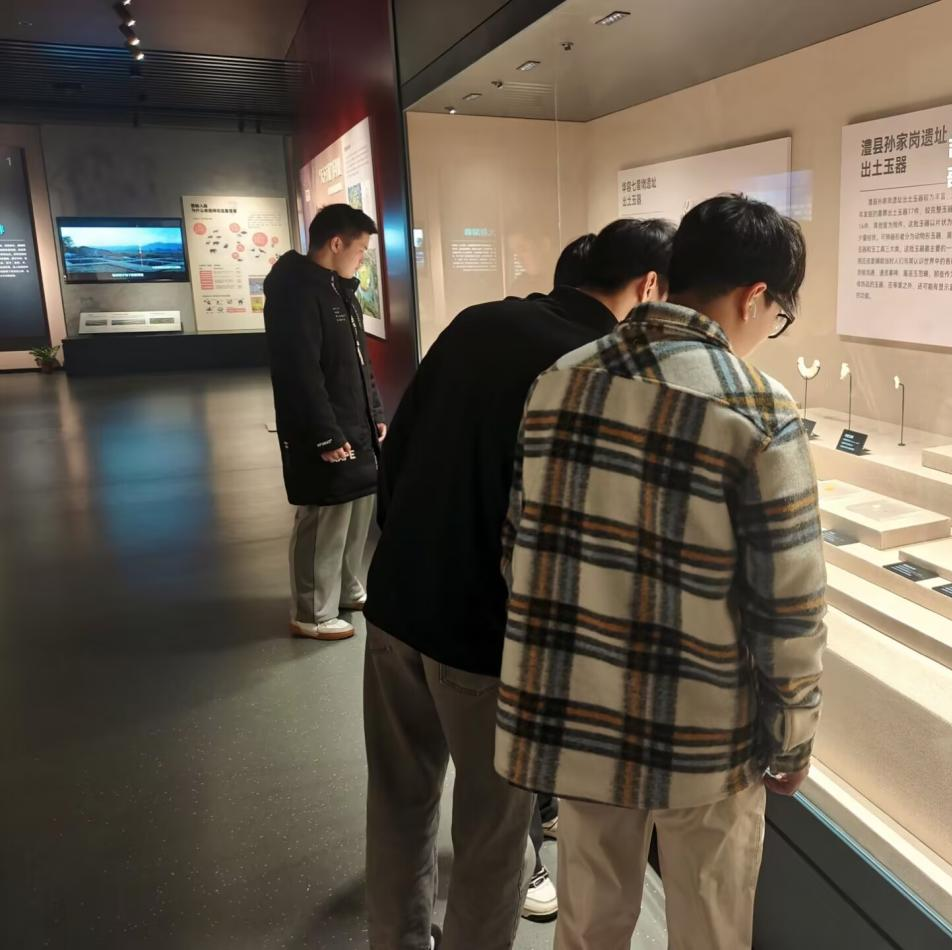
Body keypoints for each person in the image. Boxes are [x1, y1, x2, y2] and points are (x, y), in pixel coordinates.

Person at [496, 194, 828, 950]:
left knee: (588, 921)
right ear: (754, 297)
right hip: (706, 733)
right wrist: (792, 735)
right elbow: (789, 604)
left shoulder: (561, 379)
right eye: (775, 315)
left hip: (582, 713)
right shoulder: (757, 408)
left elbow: (519, 544)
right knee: (710, 924)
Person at [361, 217, 676, 950]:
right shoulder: (598, 368)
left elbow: (396, 454)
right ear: (649, 286)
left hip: (397, 602)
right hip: (486, 637)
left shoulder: (478, 321)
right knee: (493, 831)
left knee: (398, 800)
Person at [262, 204, 386, 642]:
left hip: (354, 422)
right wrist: (324, 434)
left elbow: (358, 358)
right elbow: (300, 371)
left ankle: (347, 589)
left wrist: (375, 411)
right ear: (336, 243)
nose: (362, 259)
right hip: (326, 426)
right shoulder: (297, 292)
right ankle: (312, 612)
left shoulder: (338, 289)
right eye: (361, 249)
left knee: (356, 510)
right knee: (325, 516)